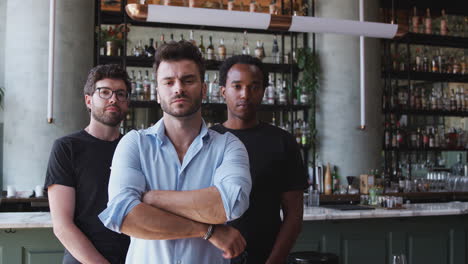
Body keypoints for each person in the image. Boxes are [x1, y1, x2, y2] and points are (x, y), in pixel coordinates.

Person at [99, 41, 252, 264]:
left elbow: (231, 204)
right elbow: (124, 216)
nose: (178, 88)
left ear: (203, 89)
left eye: (187, 80)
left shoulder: (229, 145)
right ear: (158, 93)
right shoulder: (134, 143)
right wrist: (208, 231)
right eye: (168, 82)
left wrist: (152, 197)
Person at [211, 55, 309, 264]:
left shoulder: (282, 142)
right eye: (237, 86)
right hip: (211, 257)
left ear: (263, 92)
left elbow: (293, 216)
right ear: (223, 91)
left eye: (253, 87)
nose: (245, 94)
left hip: (265, 256)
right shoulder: (207, 141)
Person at [45, 64, 131, 264]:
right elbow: (62, 226)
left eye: (121, 94)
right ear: (88, 100)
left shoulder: (134, 148)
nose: (113, 99)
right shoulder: (67, 148)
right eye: (105, 92)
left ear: (127, 103)